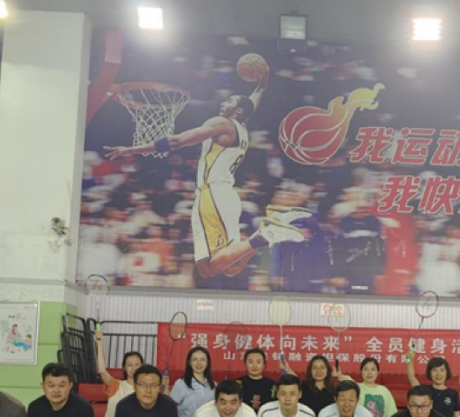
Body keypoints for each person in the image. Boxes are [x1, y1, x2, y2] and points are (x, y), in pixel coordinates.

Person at [105, 65, 311, 279]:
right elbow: (251, 104)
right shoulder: (241, 127)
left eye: (229, 101)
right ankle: (268, 229)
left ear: (238, 111)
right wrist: (262, 85)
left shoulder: (222, 124)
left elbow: (177, 141)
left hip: (211, 195)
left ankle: (268, 234)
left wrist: (132, 149)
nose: (223, 102)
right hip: (228, 197)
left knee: (207, 268)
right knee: (230, 267)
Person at [238, 348, 276, 412]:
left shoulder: (272, 385)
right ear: (245, 364)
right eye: (250, 362)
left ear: (264, 365)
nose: (254, 366)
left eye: (258, 362)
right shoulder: (237, 384)